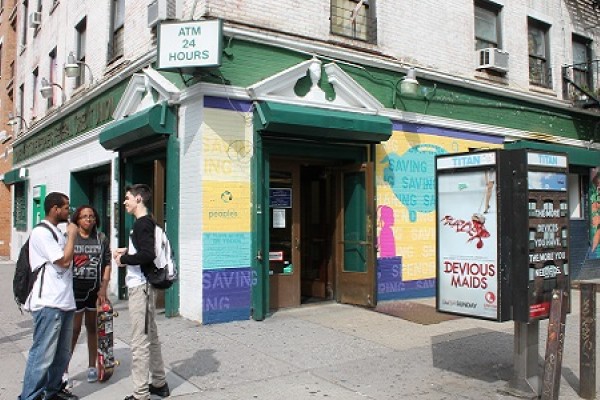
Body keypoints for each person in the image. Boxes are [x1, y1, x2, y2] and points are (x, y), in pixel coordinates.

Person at [19, 192, 79, 400]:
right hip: (48, 303)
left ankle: (52, 391)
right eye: (66, 207)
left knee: (61, 355)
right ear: (54, 209)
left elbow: (69, 261)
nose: (68, 211)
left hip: (65, 301)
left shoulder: (57, 232)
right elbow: (62, 261)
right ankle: (29, 396)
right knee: (42, 355)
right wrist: (72, 235)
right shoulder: (41, 233)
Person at [113, 184, 170, 400]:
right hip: (145, 286)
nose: (125, 202)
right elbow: (146, 251)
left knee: (139, 341)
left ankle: (140, 394)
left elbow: (147, 255)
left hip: (141, 287)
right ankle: (159, 383)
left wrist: (123, 259)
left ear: (138, 199)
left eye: (127, 198)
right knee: (151, 336)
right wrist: (128, 252)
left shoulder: (141, 224)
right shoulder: (148, 223)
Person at [64, 205, 111, 386]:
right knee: (73, 331)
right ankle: (64, 370)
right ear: (77, 219)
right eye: (84, 216)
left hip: (94, 291)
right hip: (74, 291)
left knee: (93, 328)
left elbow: (107, 263)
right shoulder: (71, 238)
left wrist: (104, 287)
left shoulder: (101, 238)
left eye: (91, 216)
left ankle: (92, 366)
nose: (88, 219)